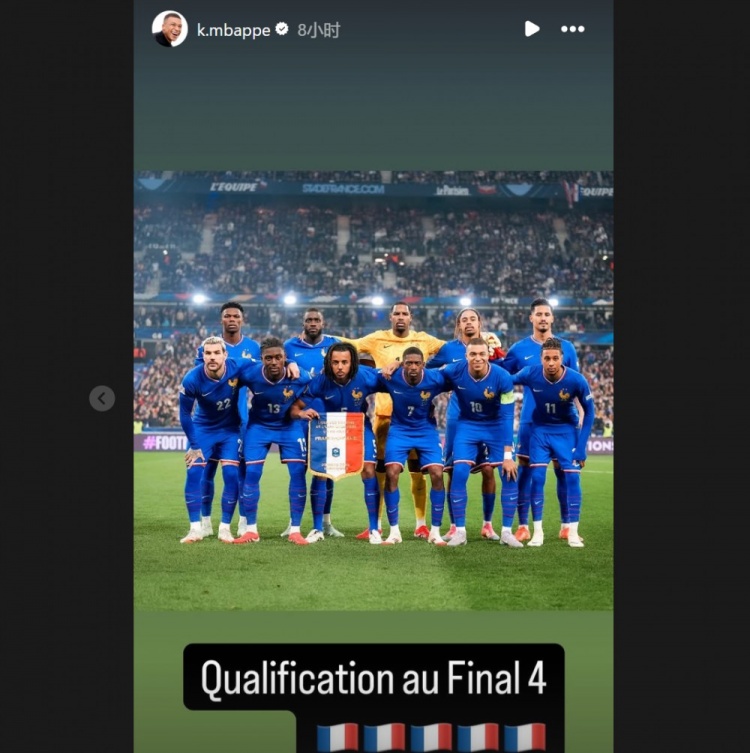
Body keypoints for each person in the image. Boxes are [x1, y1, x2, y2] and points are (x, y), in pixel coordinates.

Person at [339, 302, 445, 539]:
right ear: (390, 317)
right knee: (381, 472)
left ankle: (421, 524)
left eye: (404, 313)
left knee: (418, 471)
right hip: (385, 418)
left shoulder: (424, 340)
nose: (400, 317)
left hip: (417, 419)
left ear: (411, 317)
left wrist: (483, 339)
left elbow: (451, 350)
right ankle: (375, 525)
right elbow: (350, 346)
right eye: (396, 313)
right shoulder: (377, 338)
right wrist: (322, 340)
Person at [499, 297, 582, 542]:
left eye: (547, 314)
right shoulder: (518, 349)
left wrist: (580, 415)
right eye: (539, 314)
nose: (543, 318)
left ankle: (566, 525)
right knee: (526, 470)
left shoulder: (567, 348)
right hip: (530, 420)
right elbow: (502, 376)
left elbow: (577, 383)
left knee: (563, 471)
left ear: (552, 318)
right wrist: (492, 356)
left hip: (563, 421)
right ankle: (524, 525)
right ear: (531, 318)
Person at [290, 343, 385, 543]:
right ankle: (317, 529)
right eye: (335, 362)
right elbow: (295, 408)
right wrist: (302, 413)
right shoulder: (321, 381)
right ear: (329, 363)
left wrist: (394, 366)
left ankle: (374, 529)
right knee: (320, 472)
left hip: (358, 426)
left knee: (369, 469)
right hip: (330, 426)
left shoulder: (365, 376)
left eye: (344, 362)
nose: (340, 367)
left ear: (352, 363)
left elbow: (394, 383)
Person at [426, 307, 506, 542]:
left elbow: (504, 372)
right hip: (458, 415)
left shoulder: (490, 345)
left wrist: (498, 354)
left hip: (489, 415)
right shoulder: (448, 349)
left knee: (489, 468)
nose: (469, 323)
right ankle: (454, 526)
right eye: (464, 320)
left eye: (473, 319)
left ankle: (487, 525)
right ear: (458, 325)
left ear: (480, 323)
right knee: (453, 469)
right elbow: (427, 372)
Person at [510, 337, 595, 547]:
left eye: (555, 358)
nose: (550, 363)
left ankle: (572, 532)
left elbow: (590, 413)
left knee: (572, 478)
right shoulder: (531, 373)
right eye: (547, 358)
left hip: (567, 431)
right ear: (541, 358)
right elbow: (506, 380)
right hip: (540, 431)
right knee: (537, 477)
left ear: (561, 358)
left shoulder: (576, 380)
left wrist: (581, 448)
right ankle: (537, 532)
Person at [232, 337, 313, 545]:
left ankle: (295, 530)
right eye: (269, 358)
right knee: (251, 473)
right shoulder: (251, 373)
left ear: (285, 357)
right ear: (262, 359)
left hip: (289, 427)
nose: (274, 362)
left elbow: (314, 389)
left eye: (279, 357)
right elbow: (230, 378)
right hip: (259, 427)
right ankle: (251, 530)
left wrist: (300, 410)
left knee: (298, 474)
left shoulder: (300, 376)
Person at [439, 338, 519, 547]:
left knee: (509, 473)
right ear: (466, 356)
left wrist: (508, 456)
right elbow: (430, 379)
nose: (477, 358)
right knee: (459, 472)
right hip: (468, 426)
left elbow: (507, 417)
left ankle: (507, 532)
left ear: (488, 355)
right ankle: (460, 532)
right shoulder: (454, 371)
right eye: (473, 354)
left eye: (482, 354)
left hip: (495, 426)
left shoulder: (502, 377)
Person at [194, 302, 260, 539]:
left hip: (238, 421)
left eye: (236, 316)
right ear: (221, 319)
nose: (232, 319)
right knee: (207, 472)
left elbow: (259, 378)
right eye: (227, 316)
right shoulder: (208, 348)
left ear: (242, 319)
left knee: (240, 472)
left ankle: (242, 521)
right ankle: (205, 522)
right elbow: (201, 380)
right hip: (210, 422)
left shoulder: (253, 347)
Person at [373, 347, 451, 545]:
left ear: (423, 365)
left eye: (417, 363)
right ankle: (394, 532)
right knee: (391, 472)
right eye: (409, 363)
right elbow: (365, 375)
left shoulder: (435, 378)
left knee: (437, 473)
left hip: (426, 430)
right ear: (403, 364)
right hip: (399, 430)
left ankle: (435, 532)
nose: (413, 367)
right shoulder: (391, 376)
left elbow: (457, 374)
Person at [283, 308, 344, 538]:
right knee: (297, 472)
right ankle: (294, 523)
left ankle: (326, 523)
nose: (312, 323)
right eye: (308, 320)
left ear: (323, 322)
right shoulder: (289, 346)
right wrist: (288, 362)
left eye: (316, 319)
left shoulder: (334, 344)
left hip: (328, 416)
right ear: (303, 323)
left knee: (327, 473)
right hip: (298, 417)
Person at [177, 336, 244, 543]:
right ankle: (196, 528)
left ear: (225, 354)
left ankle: (225, 528)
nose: (212, 357)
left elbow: (265, 367)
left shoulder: (237, 366)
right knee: (194, 472)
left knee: (231, 474)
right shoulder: (192, 379)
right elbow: (184, 414)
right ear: (203, 356)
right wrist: (194, 445)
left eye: (216, 353)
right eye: (208, 353)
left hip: (230, 430)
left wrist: (290, 363)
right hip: (203, 429)